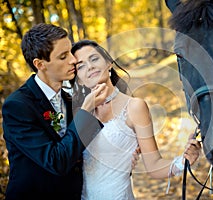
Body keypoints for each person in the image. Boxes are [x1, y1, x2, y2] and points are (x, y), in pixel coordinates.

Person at [1, 23, 139, 200]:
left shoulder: (69, 100)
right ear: (40, 64)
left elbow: (80, 149)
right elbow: (56, 161)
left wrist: (122, 157)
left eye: (70, 53)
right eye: (63, 56)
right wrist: (86, 111)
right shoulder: (18, 106)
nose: (73, 60)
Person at [71, 40, 201, 200]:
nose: (89, 66)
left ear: (109, 63)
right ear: (79, 78)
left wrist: (184, 161)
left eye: (94, 59)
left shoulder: (134, 107)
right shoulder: (79, 112)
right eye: (81, 65)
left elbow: (154, 166)